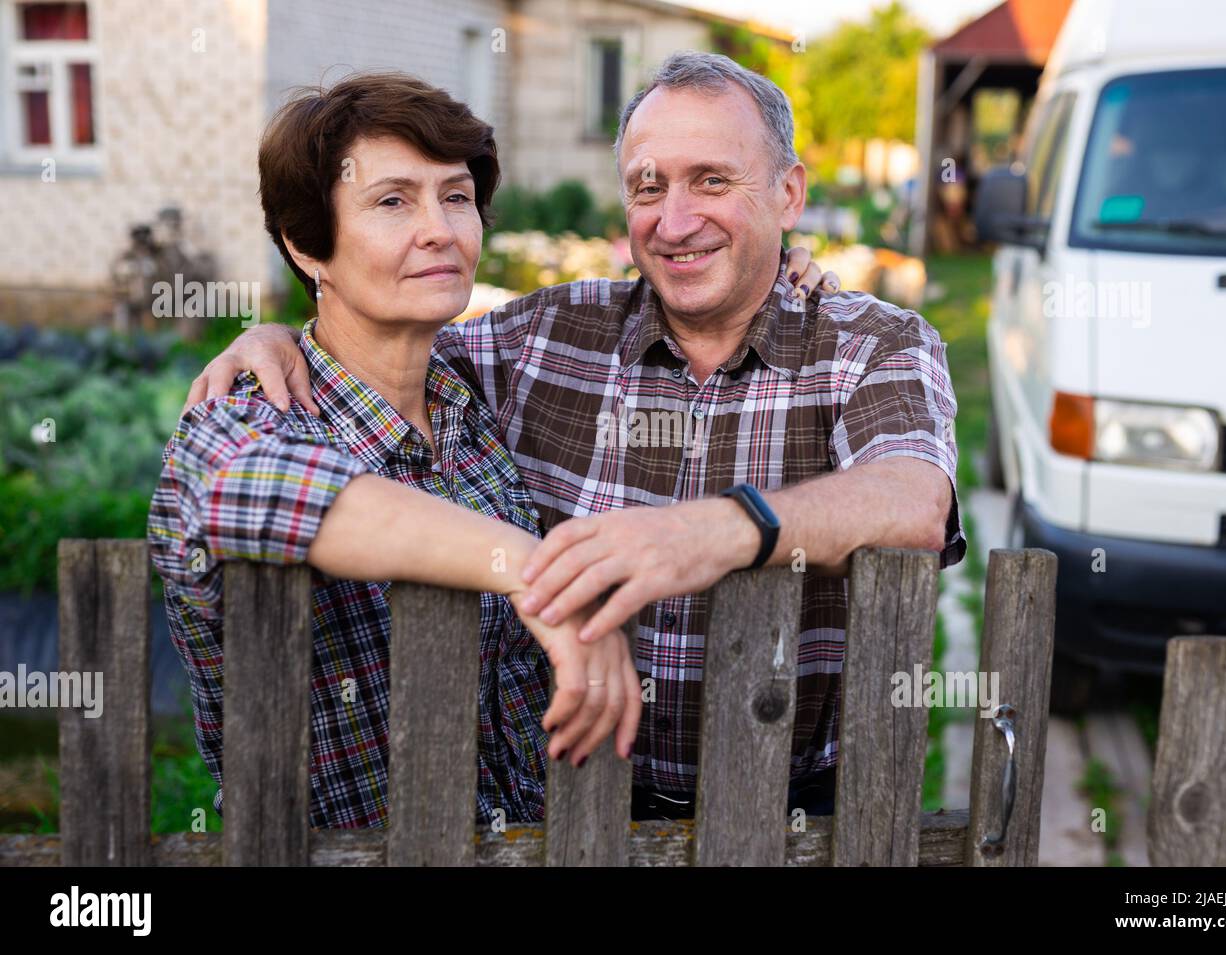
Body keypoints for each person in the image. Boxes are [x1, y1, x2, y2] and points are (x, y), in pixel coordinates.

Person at [188, 53, 966, 822]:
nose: (677, 220)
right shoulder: (540, 343)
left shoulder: (869, 344)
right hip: (574, 812)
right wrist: (278, 337)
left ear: (788, 192)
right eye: (648, 187)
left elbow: (913, 499)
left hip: (786, 813)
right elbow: (352, 371)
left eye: (714, 181)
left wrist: (719, 531)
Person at [148, 74, 648, 829]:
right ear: (305, 245)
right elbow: (275, 495)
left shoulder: (473, 402)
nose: (440, 229)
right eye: (392, 201)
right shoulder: (238, 423)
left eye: (455, 196)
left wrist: (790, 277)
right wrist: (533, 574)